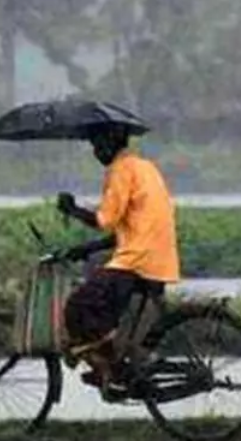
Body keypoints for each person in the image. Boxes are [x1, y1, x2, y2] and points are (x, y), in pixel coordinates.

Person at [55, 121, 180, 395]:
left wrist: (73, 209)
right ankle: (113, 367)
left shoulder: (121, 170)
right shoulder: (145, 167)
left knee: (77, 305)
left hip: (137, 261)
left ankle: (106, 368)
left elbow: (106, 219)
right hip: (157, 257)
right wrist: (86, 250)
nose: (96, 152)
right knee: (107, 311)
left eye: (98, 145)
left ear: (112, 142)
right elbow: (130, 228)